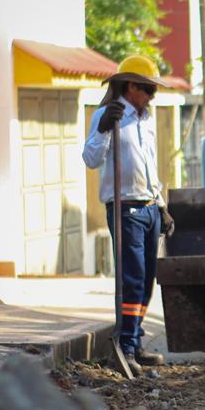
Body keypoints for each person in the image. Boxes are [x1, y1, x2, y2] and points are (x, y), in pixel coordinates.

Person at [83, 54, 176, 376]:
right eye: (148, 90)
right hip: (125, 208)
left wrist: (161, 204)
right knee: (131, 279)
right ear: (131, 86)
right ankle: (124, 346)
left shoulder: (146, 119)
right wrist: (105, 129)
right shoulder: (106, 116)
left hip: (148, 207)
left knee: (147, 279)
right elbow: (91, 159)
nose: (152, 96)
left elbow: (149, 165)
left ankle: (135, 343)